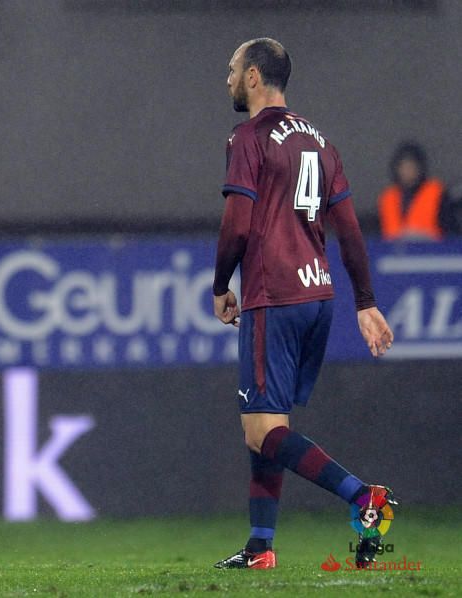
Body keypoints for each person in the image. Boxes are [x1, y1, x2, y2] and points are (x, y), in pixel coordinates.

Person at [212, 38, 397, 570]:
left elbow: (237, 222)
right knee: (270, 425)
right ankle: (260, 547)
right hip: (318, 295)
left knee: (262, 430)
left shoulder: (248, 137)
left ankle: (365, 498)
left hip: (274, 294)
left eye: (231, 69)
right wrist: (365, 301)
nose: (225, 79)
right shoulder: (319, 140)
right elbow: (350, 229)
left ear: (252, 76)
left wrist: (222, 282)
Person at [378, 141, 448, 242]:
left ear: (420, 168)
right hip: (394, 254)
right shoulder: (388, 197)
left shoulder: (437, 192)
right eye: (404, 167)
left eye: (412, 166)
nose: (408, 171)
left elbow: (450, 233)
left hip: (431, 253)